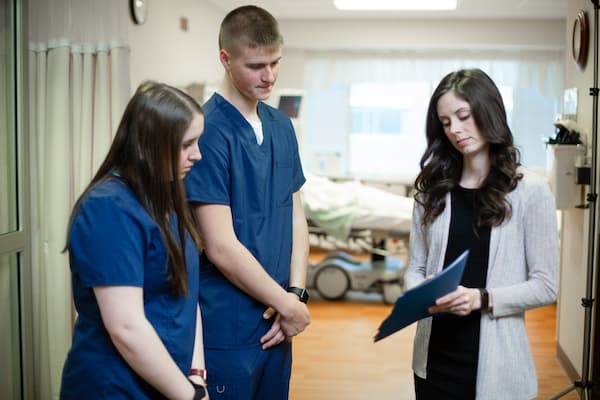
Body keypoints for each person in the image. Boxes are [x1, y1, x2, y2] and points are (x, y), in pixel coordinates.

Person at [405, 68, 558, 399]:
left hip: (498, 366)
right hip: (433, 362)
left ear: (488, 110)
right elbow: (415, 268)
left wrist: (482, 298)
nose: (456, 130)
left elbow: (546, 286)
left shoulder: (530, 191)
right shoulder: (432, 190)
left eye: (463, 115)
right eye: (446, 123)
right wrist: (421, 296)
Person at [184, 5, 310, 399]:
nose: (269, 76)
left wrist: (296, 293)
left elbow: (295, 214)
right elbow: (220, 245)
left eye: (275, 63)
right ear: (225, 58)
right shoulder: (207, 132)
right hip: (230, 325)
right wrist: (284, 304)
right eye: (256, 65)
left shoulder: (282, 127)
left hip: (278, 321)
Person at [60, 81, 209, 399]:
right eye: (187, 144)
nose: (197, 155)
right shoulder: (108, 208)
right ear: (146, 147)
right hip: (117, 388)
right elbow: (126, 327)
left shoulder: (163, 195)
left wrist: (196, 375)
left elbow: (187, 291)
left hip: (173, 381)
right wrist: (189, 395)